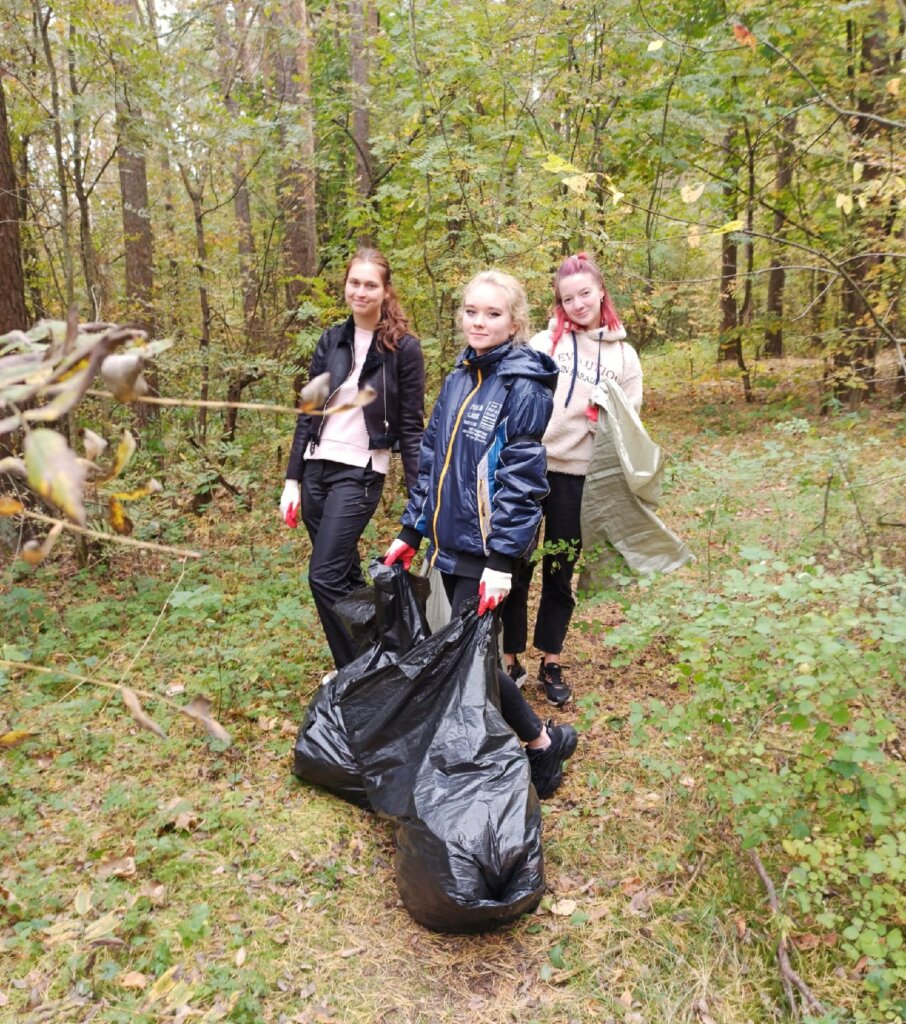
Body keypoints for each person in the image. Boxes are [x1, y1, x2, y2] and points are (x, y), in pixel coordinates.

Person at [384, 270, 578, 799]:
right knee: (464, 654)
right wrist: (411, 530)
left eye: (493, 314)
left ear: (515, 322)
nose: (480, 321)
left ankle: (539, 746)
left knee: (468, 656)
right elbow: (433, 462)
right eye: (472, 311)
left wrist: (502, 560)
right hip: (448, 543)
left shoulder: (524, 383)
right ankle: (544, 741)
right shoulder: (458, 376)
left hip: (488, 550)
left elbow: (522, 479)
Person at [501, 252, 642, 706]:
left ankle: (551, 659)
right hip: (530, 469)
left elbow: (631, 421)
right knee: (516, 565)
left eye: (585, 293)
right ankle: (509, 657)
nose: (579, 303)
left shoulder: (624, 355)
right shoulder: (546, 343)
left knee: (559, 573)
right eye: (569, 298)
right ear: (560, 303)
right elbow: (514, 398)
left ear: (601, 290)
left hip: (578, 477)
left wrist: (609, 416)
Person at [280, 249, 425, 674]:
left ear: (385, 291)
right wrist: (293, 479)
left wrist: (417, 509)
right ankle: (386, 657)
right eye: (354, 283)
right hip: (315, 471)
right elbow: (309, 412)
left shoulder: (404, 349)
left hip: (360, 473)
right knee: (342, 578)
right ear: (345, 286)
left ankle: (356, 674)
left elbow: (412, 429)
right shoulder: (331, 340)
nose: (360, 291)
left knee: (322, 576)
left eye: (370, 284)